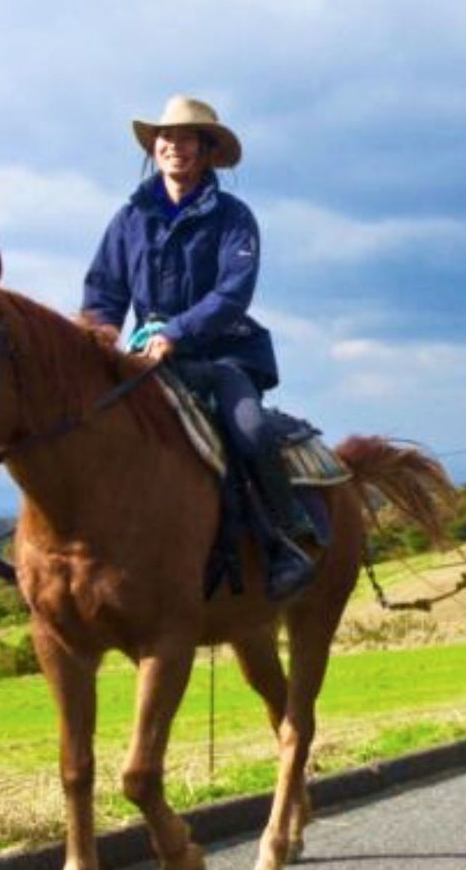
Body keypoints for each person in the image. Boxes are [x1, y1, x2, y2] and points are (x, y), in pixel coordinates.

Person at [80, 94, 315, 601]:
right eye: (166, 137)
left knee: (250, 429)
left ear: (207, 151)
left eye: (187, 138)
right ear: (154, 147)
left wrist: (176, 334)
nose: (174, 146)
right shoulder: (129, 218)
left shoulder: (235, 217)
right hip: (147, 359)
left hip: (223, 355)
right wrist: (97, 334)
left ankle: (285, 543)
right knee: (80, 423)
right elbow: (104, 291)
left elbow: (232, 294)